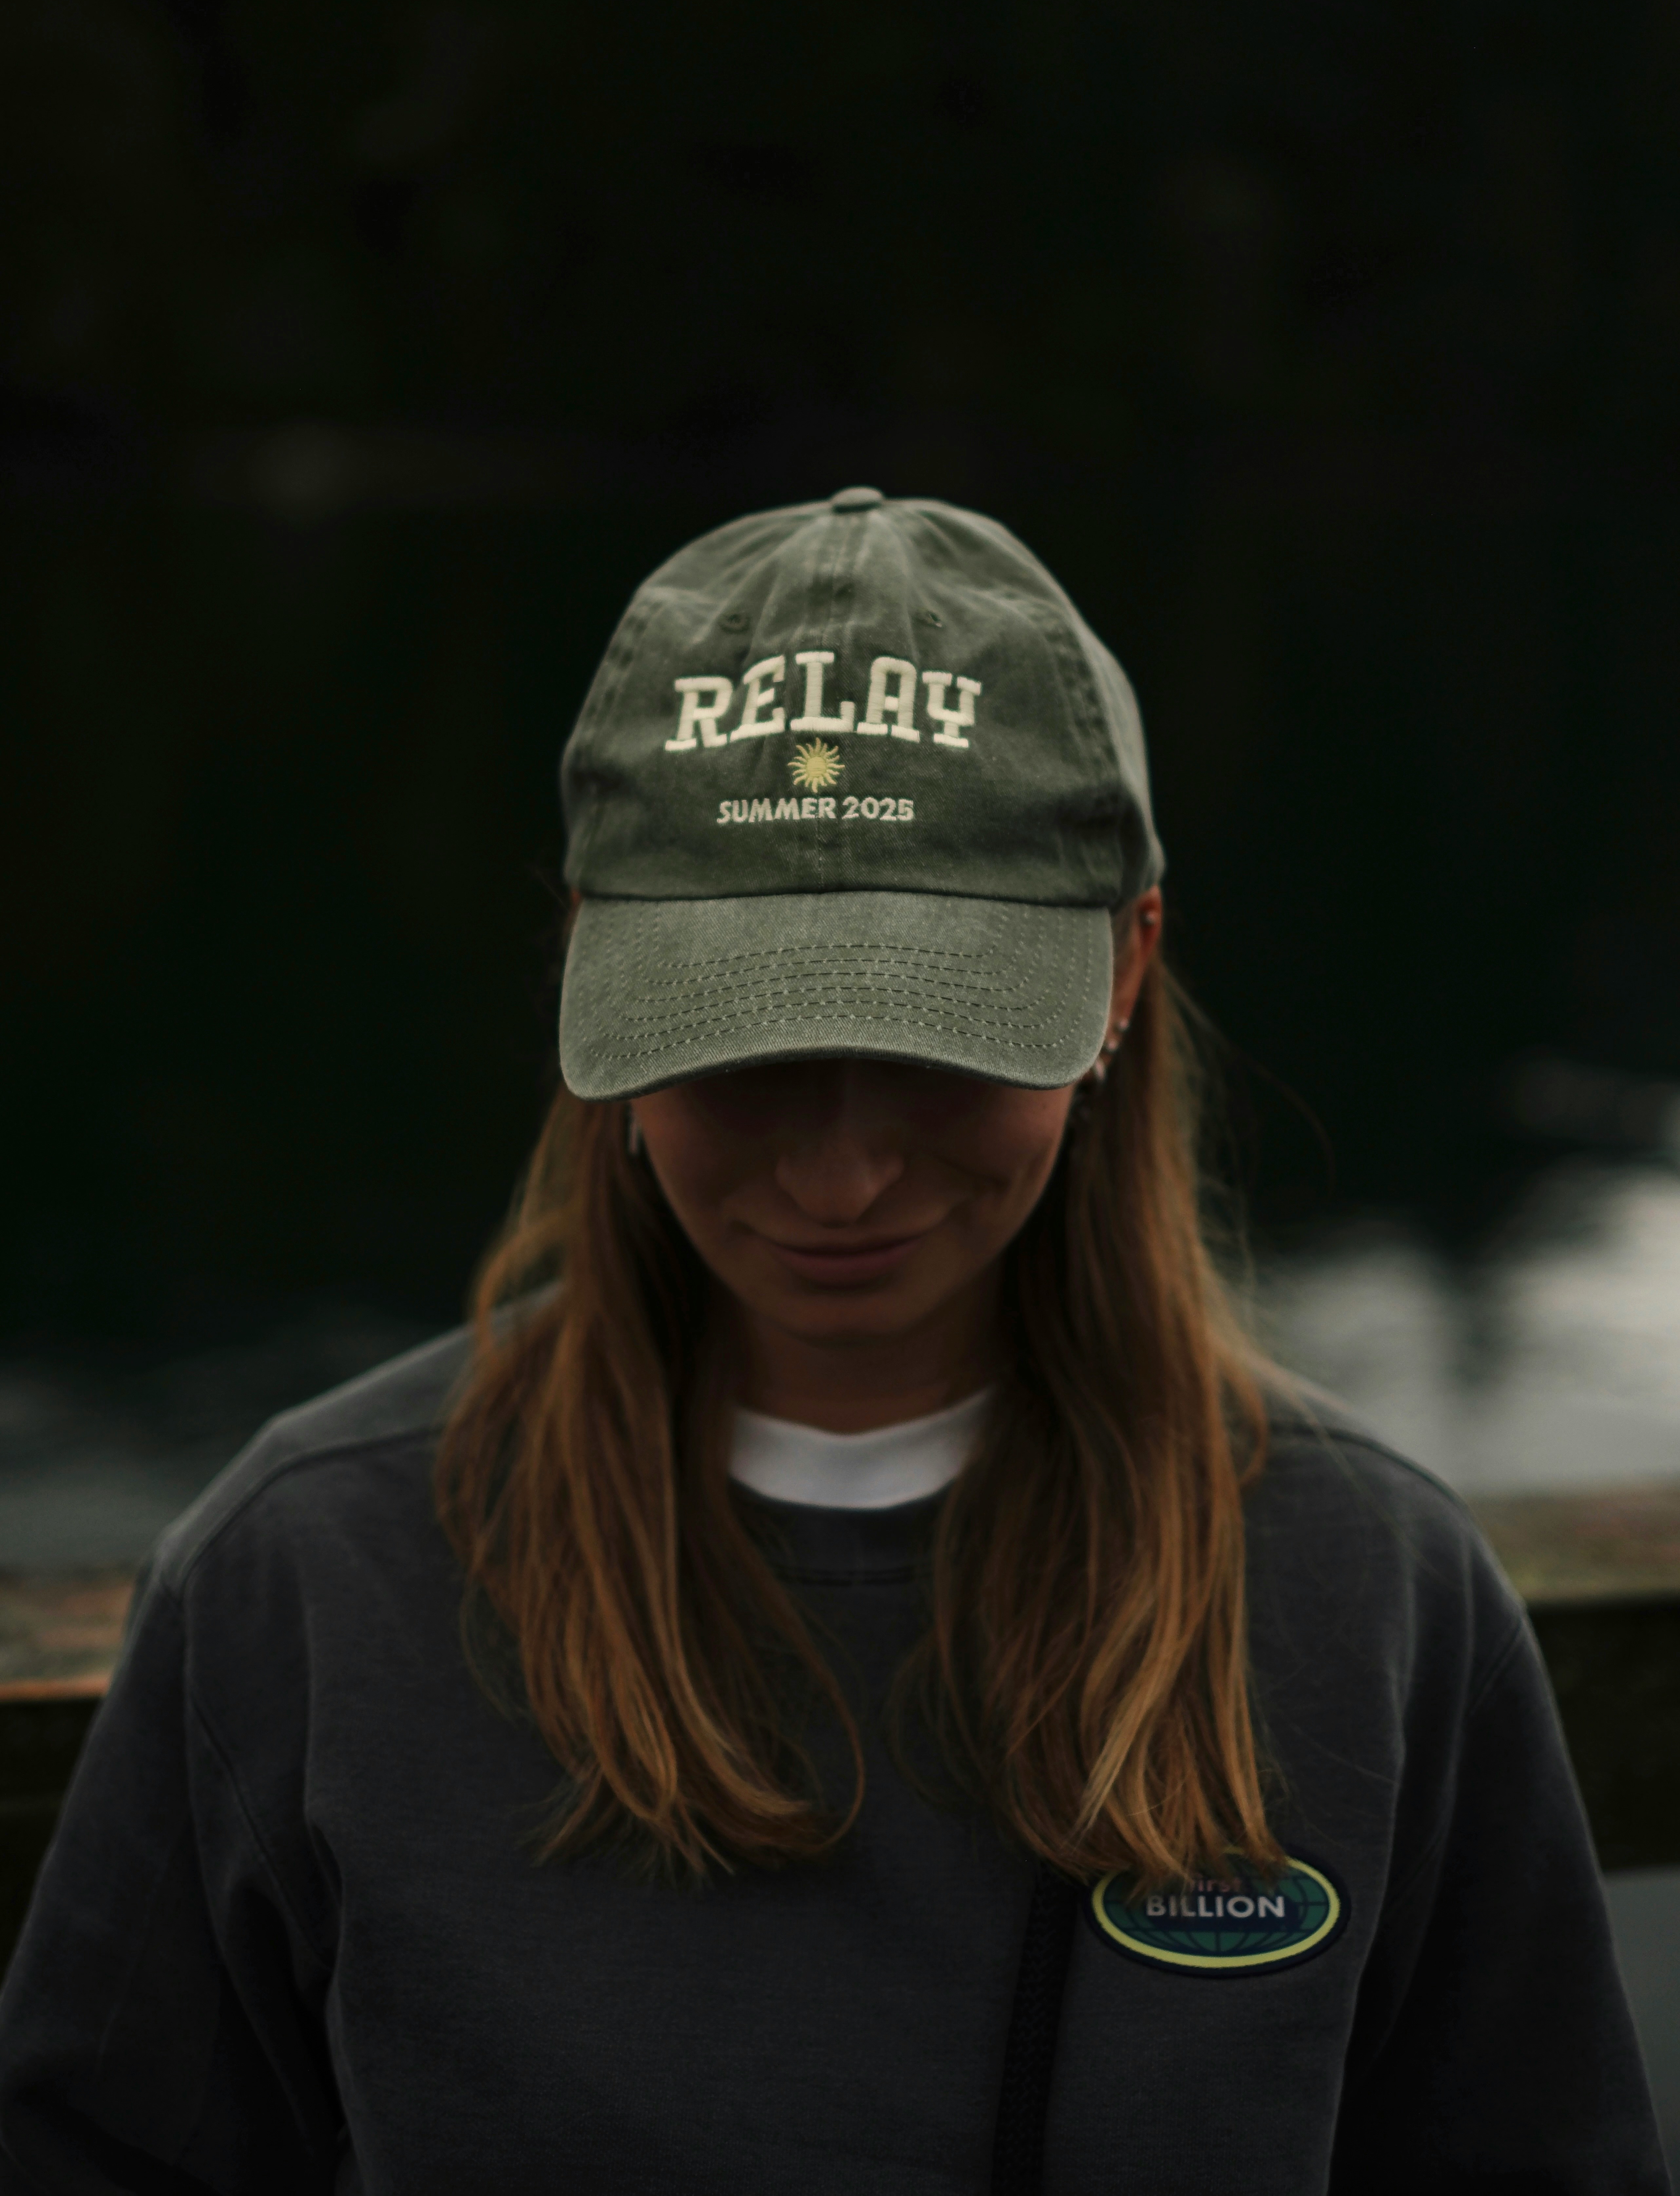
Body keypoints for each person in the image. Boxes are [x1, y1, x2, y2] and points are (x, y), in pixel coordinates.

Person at [0, 487, 1665, 2196]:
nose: (846, 1167)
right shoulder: (302, 1581)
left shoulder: (1373, 1591)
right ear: (592, 963)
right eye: (746, 1053)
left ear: (1119, 971)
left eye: (935, 1044)